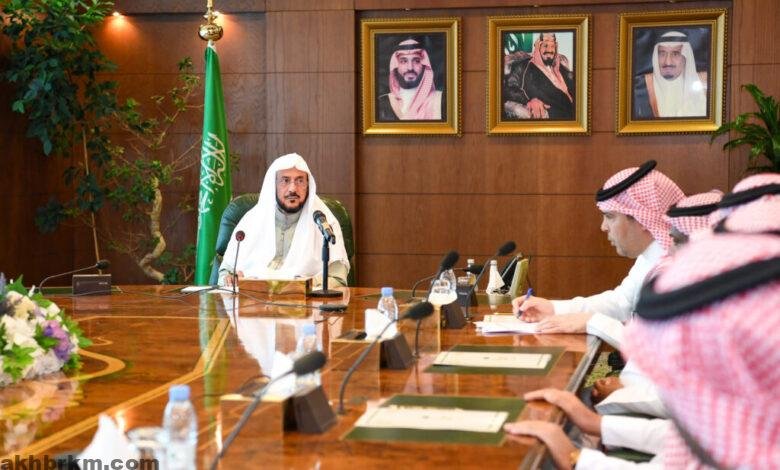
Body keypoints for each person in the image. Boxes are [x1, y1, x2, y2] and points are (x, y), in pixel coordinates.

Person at [512, 160, 684, 345]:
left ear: (642, 218)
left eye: (610, 217)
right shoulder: (651, 256)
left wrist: (592, 322)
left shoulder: (675, 267)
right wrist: (553, 309)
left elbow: (655, 344)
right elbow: (621, 302)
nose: (603, 227)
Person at [218, 153, 350, 287]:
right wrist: (230, 280)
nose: (293, 189)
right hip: (253, 297)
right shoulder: (251, 221)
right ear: (273, 185)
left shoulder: (324, 223)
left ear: (308, 186)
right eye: (285, 180)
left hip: (304, 298)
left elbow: (338, 279)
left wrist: (304, 285)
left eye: (300, 181)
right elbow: (224, 274)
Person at [633, 31, 708, 119]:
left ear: (686, 56)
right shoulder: (640, 85)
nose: (668, 62)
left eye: (675, 54)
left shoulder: (705, 83)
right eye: (662, 54)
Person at [503, 33, 575, 120]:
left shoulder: (559, 67)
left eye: (552, 46)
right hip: (554, 115)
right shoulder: (524, 66)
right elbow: (509, 88)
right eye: (545, 45)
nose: (549, 50)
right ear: (538, 46)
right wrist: (529, 100)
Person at [376, 38, 444, 121]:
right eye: (403, 61)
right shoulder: (382, 102)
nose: (410, 68)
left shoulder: (440, 100)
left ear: (424, 65)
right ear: (396, 66)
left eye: (416, 61)